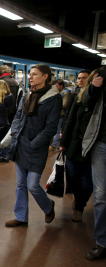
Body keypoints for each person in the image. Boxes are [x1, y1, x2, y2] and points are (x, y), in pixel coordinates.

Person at [5, 64, 61, 227]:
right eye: (30, 74)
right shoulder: (29, 94)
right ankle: (21, 217)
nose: (30, 77)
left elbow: (51, 127)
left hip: (36, 147)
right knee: (21, 184)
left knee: (33, 185)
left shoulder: (54, 98)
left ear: (45, 77)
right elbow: (18, 115)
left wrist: (35, 143)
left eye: (34, 74)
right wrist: (15, 132)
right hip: (21, 144)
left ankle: (48, 206)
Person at [59, 73, 96, 223]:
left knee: (87, 181)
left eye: (84, 78)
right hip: (75, 144)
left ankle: (80, 207)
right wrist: (63, 142)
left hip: (92, 147)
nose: (80, 80)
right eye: (79, 78)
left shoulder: (99, 100)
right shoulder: (78, 97)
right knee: (72, 175)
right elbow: (70, 119)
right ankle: (77, 196)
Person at [79, 66, 106, 260]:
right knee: (101, 195)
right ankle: (102, 242)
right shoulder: (103, 74)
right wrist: (94, 88)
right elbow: (86, 103)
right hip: (102, 143)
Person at [0, 65, 20, 163]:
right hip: (12, 110)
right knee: (8, 133)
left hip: (3, 111)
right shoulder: (15, 82)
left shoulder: (2, 82)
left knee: (1, 133)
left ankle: (2, 154)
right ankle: (6, 154)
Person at [50, 79, 70, 150]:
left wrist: (54, 104)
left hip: (60, 114)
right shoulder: (55, 92)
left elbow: (65, 105)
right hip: (54, 113)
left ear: (61, 86)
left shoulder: (66, 93)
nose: (55, 88)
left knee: (57, 130)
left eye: (57, 86)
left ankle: (53, 145)